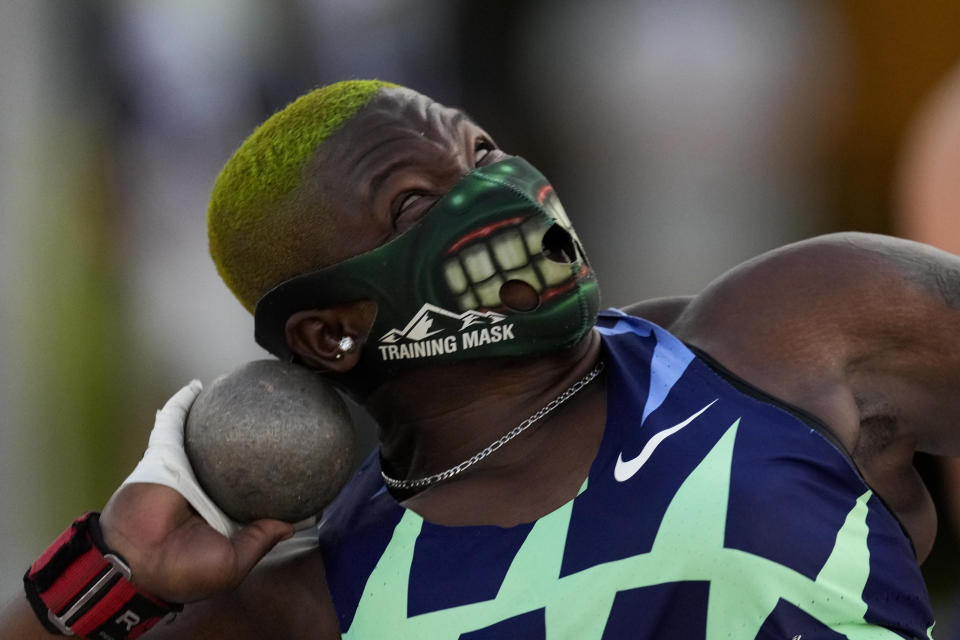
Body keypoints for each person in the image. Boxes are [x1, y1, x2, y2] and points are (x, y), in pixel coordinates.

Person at [2, 79, 957, 639]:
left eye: (483, 151)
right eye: (415, 204)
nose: (499, 190)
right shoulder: (322, 594)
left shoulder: (796, 330)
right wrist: (122, 568)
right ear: (330, 333)